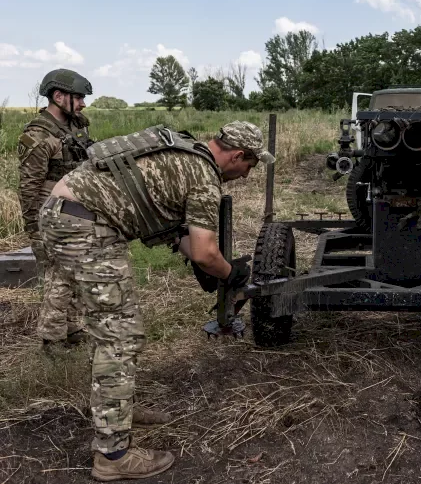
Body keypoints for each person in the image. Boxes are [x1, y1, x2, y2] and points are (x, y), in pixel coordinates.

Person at [39, 121, 275, 481]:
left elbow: (177, 235)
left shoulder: (185, 154)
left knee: (111, 329)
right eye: (250, 166)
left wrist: (208, 262)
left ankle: (118, 411)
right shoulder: (203, 176)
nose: (245, 176)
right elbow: (205, 251)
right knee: (120, 336)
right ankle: (113, 455)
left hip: (69, 216)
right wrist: (231, 274)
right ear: (238, 155)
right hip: (84, 226)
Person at [17, 69, 93, 352]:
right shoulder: (37, 135)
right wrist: (33, 228)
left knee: (75, 271)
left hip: (75, 212)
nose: (83, 104)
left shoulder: (76, 126)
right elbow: (29, 188)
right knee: (56, 276)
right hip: (48, 217)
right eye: (79, 97)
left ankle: (72, 328)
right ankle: (52, 339)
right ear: (58, 96)